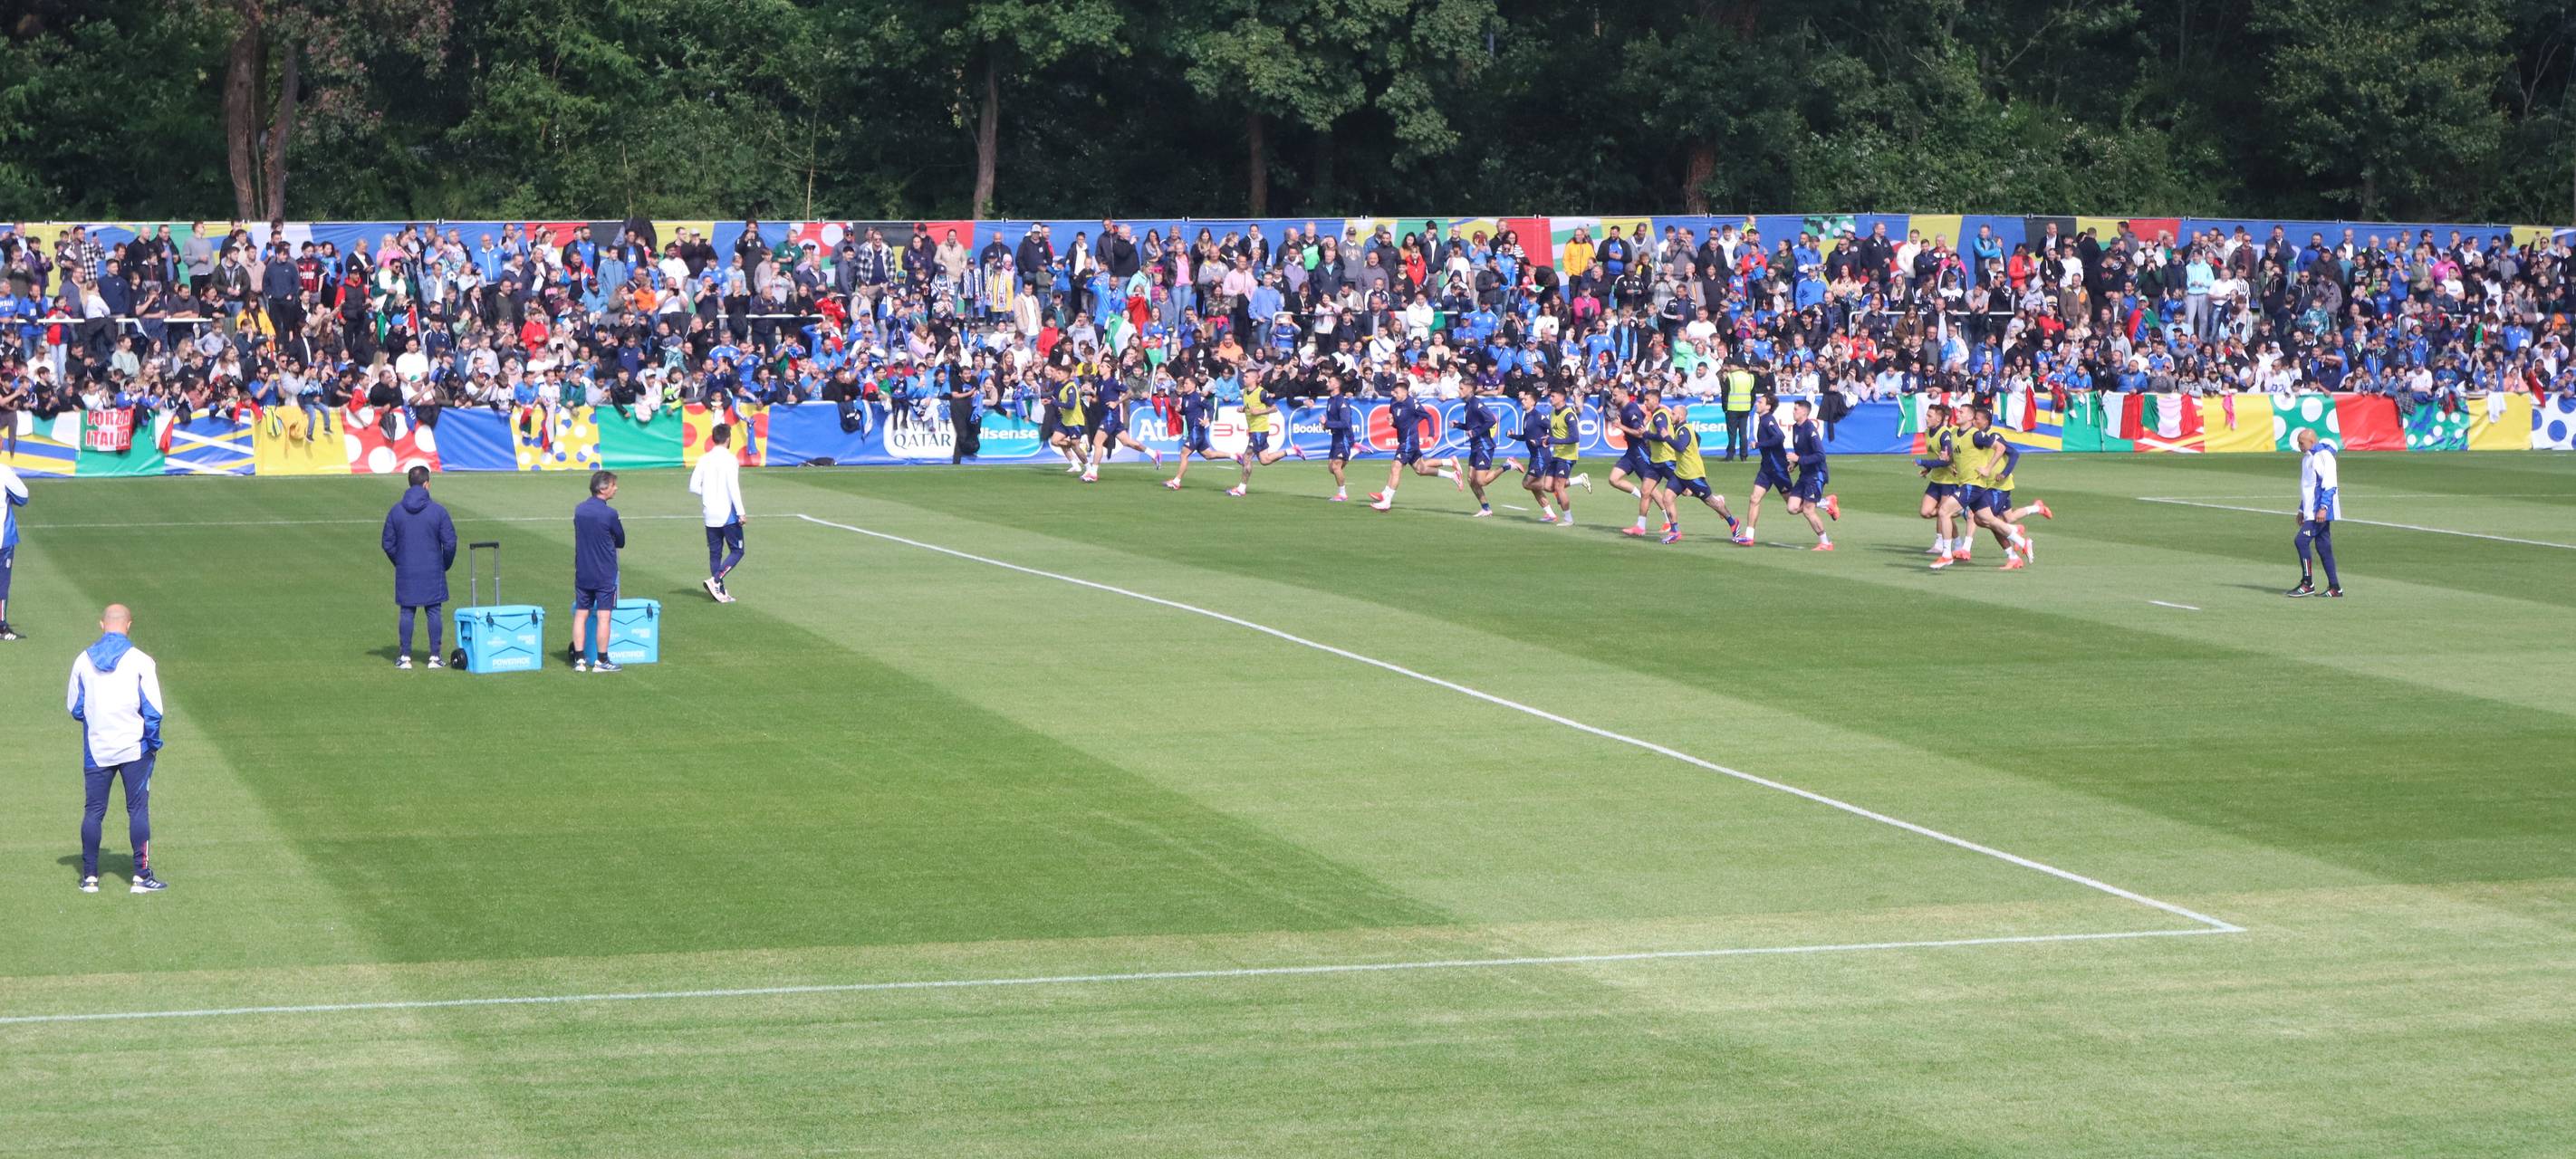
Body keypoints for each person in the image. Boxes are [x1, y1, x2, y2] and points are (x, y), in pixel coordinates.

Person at [70, 604, 166, 893]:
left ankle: (90, 877)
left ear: (102, 625)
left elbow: (75, 708)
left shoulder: (83, 661)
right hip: (134, 748)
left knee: (94, 811)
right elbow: (154, 711)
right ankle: (141, 876)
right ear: (129, 625)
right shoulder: (141, 661)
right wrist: (153, 743)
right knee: (137, 810)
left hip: (97, 747)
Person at [380, 465, 457, 668]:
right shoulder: (438, 511)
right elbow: (450, 542)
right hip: (433, 569)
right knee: (434, 610)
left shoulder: (396, 511)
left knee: (407, 611)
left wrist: (400, 561)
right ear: (427, 484)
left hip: (407, 569)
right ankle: (435, 657)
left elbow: (387, 543)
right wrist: (444, 564)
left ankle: (405, 657)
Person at [1367, 379, 1459, 511]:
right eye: (1393, 392)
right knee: (1421, 469)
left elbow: (1428, 417)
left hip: (1409, 442)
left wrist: (1431, 435)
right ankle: (1452, 473)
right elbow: (1398, 422)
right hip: (1404, 440)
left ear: (1405, 392)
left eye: (1396, 392)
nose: (1394, 394)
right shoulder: (1393, 402)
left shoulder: (1412, 403)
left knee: (1396, 467)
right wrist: (1392, 422)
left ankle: (1386, 500)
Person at [572, 470, 626, 671]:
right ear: (603, 489)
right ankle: (602, 661)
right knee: (604, 617)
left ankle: (579, 660)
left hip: (583, 570)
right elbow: (621, 540)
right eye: (613, 485)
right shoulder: (609, 514)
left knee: (581, 614)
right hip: (604, 573)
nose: (616, 488)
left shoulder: (580, 510)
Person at [689, 423, 746, 603]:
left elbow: (693, 486)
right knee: (737, 550)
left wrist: (708, 493)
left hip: (709, 512)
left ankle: (719, 591)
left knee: (715, 553)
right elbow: (733, 487)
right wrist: (741, 511)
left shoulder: (704, 459)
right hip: (727, 513)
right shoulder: (730, 459)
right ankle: (715, 580)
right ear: (728, 439)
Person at [2290, 427, 2344, 598]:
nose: (2299, 446)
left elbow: (2330, 484)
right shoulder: (2307, 458)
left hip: (2319, 511)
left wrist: (2323, 508)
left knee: (2301, 541)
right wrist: (2301, 510)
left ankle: (2308, 583)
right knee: (2323, 547)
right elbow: (2308, 487)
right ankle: (2335, 587)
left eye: (2301, 443)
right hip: (2311, 511)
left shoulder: (2323, 456)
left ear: (2311, 441)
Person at [1, 458, 26, 641]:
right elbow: (23, 496)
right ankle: (1, 627)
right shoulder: (3, 471)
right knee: (1, 583)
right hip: (2, 540)